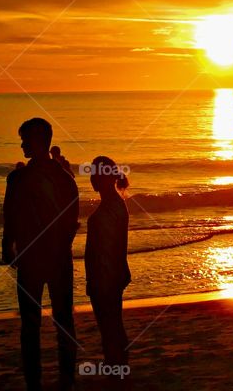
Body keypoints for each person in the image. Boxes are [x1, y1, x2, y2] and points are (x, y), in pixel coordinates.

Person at [3, 117, 80, 391]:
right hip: (55, 257)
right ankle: (64, 379)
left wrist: (7, 246)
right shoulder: (63, 178)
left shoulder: (21, 178)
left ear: (38, 142)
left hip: (36, 258)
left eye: (25, 139)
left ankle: (37, 381)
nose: (22, 145)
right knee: (61, 320)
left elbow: (10, 217)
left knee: (33, 324)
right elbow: (72, 221)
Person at [84, 156, 131, 370]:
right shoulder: (116, 204)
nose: (91, 179)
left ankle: (116, 366)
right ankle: (118, 364)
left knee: (109, 324)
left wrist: (97, 279)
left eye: (94, 174)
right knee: (112, 323)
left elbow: (107, 247)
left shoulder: (110, 208)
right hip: (111, 274)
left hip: (105, 275)